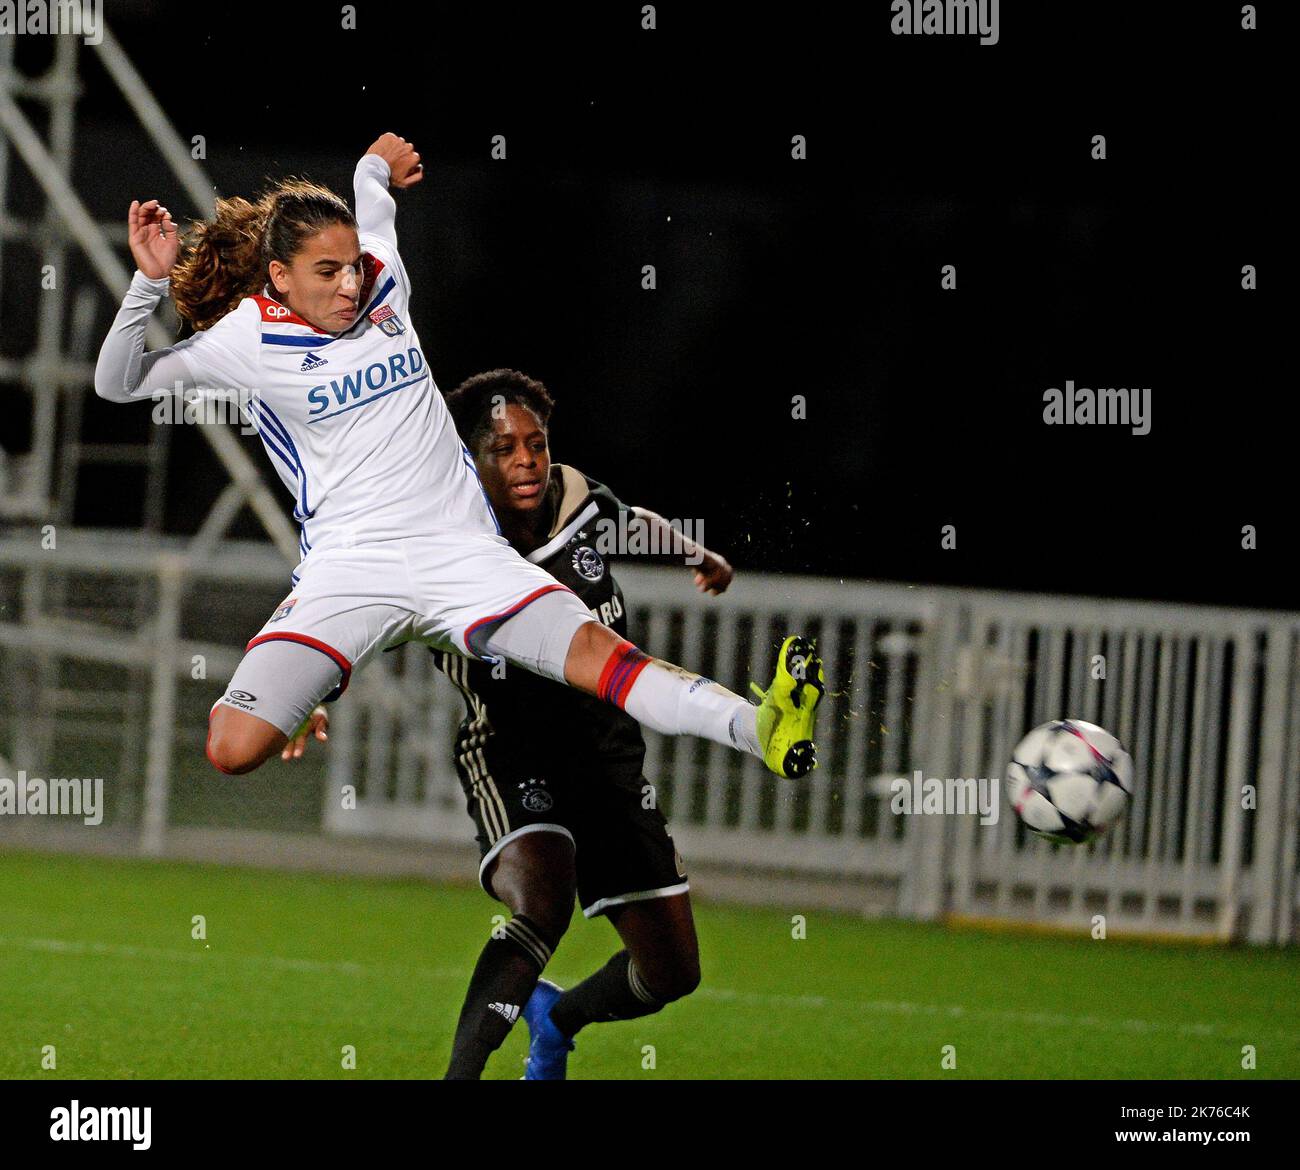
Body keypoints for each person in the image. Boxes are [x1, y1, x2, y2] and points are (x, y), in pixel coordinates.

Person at [95, 129, 822, 872]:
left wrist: (374, 165)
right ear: (278, 276)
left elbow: (373, 201)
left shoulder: (381, 281)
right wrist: (149, 282)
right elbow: (119, 383)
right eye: (327, 272)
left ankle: (758, 725)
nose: (350, 283)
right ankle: (300, 691)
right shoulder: (244, 341)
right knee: (232, 748)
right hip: (352, 570)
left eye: (352, 266)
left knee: (605, 659)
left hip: (462, 554)